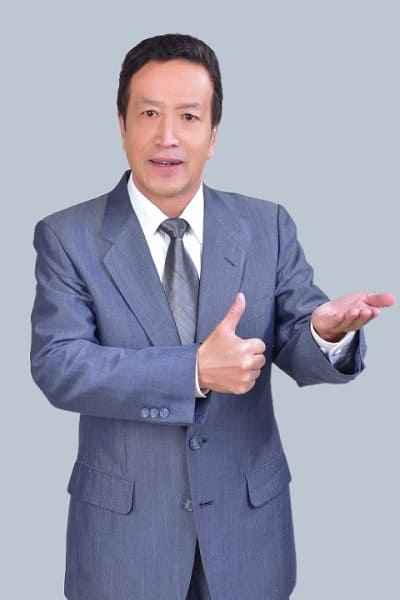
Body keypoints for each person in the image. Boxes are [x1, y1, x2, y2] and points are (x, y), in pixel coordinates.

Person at [30, 33, 395, 600]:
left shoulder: (267, 226)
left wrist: (325, 334)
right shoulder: (67, 236)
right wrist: (194, 371)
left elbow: (296, 339)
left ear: (214, 133)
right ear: (121, 125)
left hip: (249, 534)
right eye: (148, 113)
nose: (167, 136)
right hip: (125, 545)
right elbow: (60, 364)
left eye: (189, 116)